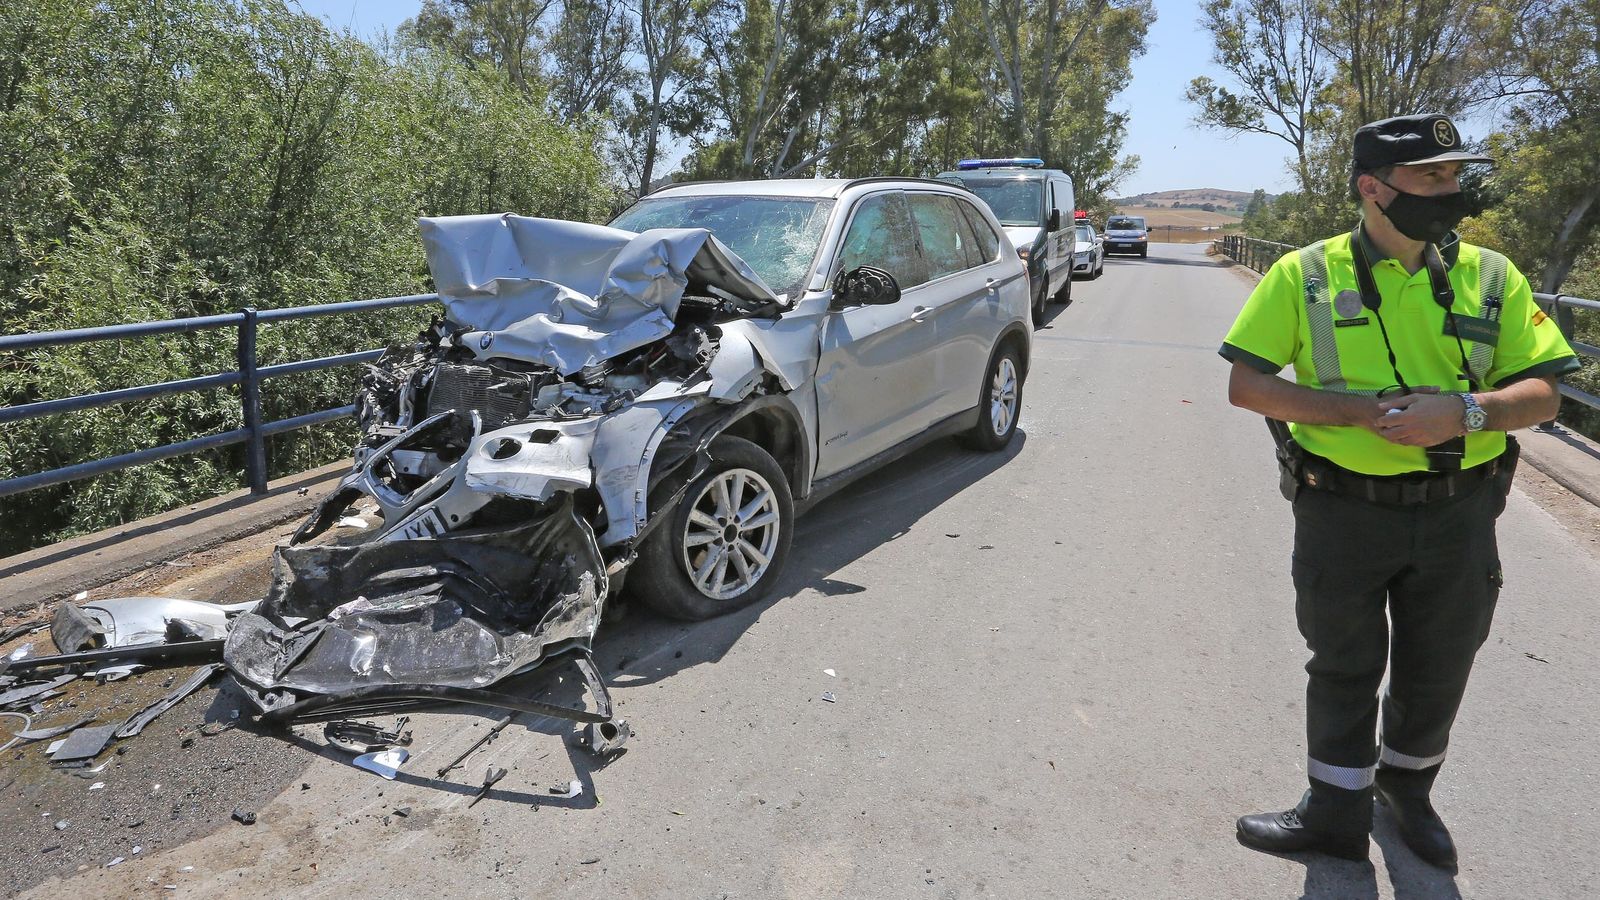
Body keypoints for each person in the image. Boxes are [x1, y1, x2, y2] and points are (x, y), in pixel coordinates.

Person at [1218, 113, 1581, 868]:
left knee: (1439, 665)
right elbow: (1248, 385)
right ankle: (1334, 813)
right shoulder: (1304, 274)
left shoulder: (1492, 276)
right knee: (1343, 664)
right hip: (1341, 509)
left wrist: (1464, 411)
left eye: (1453, 175)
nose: (1451, 190)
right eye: (1431, 176)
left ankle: (1407, 794)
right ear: (1372, 188)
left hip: (1460, 511)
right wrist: (1359, 412)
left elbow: (1545, 393)